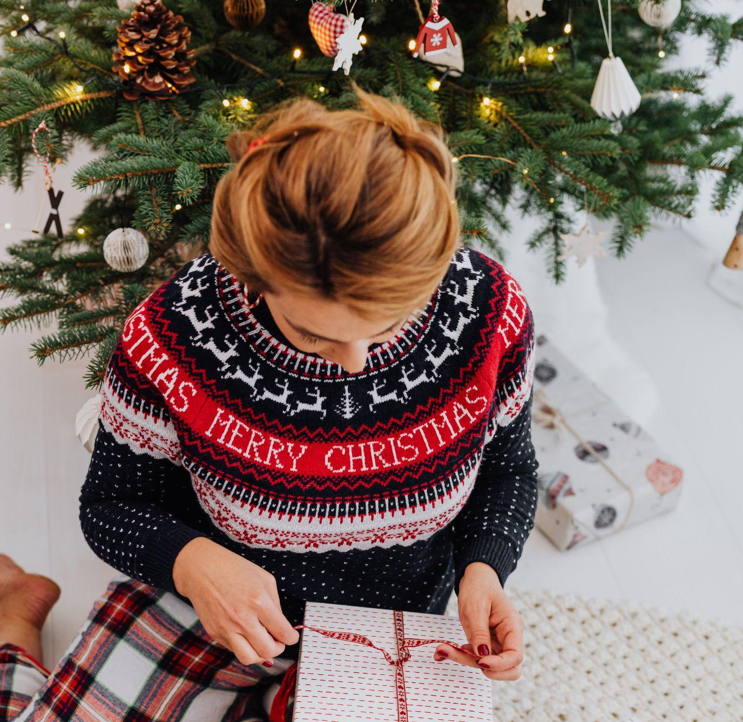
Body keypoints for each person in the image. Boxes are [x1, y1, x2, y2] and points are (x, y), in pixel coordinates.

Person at [0, 84, 539, 722]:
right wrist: (193, 563)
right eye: (314, 333)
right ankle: (14, 616)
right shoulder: (175, 333)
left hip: (386, 630)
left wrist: (485, 569)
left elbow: (509, 470)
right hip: (206, 610)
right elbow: (112, 505)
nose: (355, 363)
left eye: (391, 322)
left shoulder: (489, 311)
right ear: (254, 272)